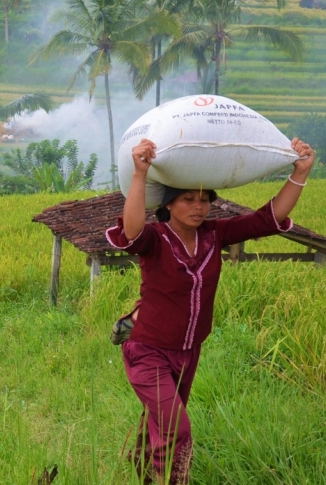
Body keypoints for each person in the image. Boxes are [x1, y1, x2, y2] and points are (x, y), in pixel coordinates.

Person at [106, 137, 314, 484]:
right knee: (178, 430)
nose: (199, 206)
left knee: (159, 422)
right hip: (148, 351)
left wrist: (301, 172)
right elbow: (132, 232)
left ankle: (142, 471)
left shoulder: (215, 235)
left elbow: (267, 219)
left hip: (189, 352)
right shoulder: (155, 239)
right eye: (188, 199)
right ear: (169, 205)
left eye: (204, 199)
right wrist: (140, 175)